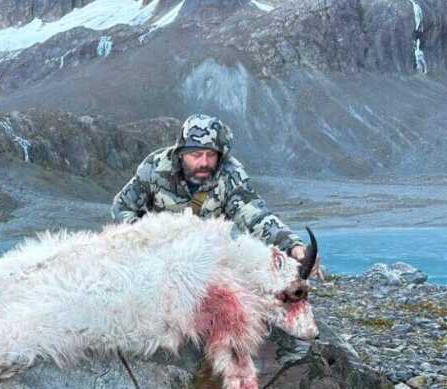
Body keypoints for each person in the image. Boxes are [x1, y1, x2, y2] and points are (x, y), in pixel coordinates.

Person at [111, 114, 322, 277]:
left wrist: (293, 246)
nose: (204, 162)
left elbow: (256, 216)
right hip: (155, 257)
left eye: (211, 155)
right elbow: (121, 206)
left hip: (209, 261)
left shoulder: (231, 172)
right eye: (196, 155)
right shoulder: (154, 167)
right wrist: (145, 237)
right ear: (181, 153)